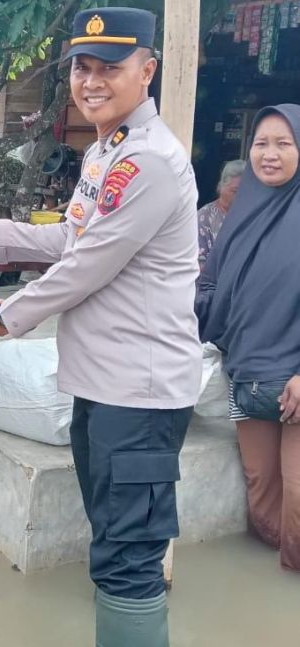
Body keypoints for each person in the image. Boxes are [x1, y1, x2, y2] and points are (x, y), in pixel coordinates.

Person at [0, 8, 201, 647]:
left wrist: (10, 311)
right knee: (114, 542)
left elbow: (89, 262)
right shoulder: (107, 153)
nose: (91, 81)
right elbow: (73, 234)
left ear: (147, 71)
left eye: (108, 67)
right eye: (82, 67)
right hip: (105, 386)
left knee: (127, 560)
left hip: (137, 395)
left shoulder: (149, 162)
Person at [197, 105, 300, 572]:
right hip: (247, 376)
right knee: (261, 493)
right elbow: (211, 285)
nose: (270, 155)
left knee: (297, 499)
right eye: (261, 144)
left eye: (284, 143)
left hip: (296, 381)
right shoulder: (241, 216)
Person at [197, 159, 245, 270]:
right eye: (235, 191)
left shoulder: (249, 216)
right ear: (222, 187)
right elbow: (199, 263)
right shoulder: (204, 217)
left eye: (245, 191)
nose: (240, 196)